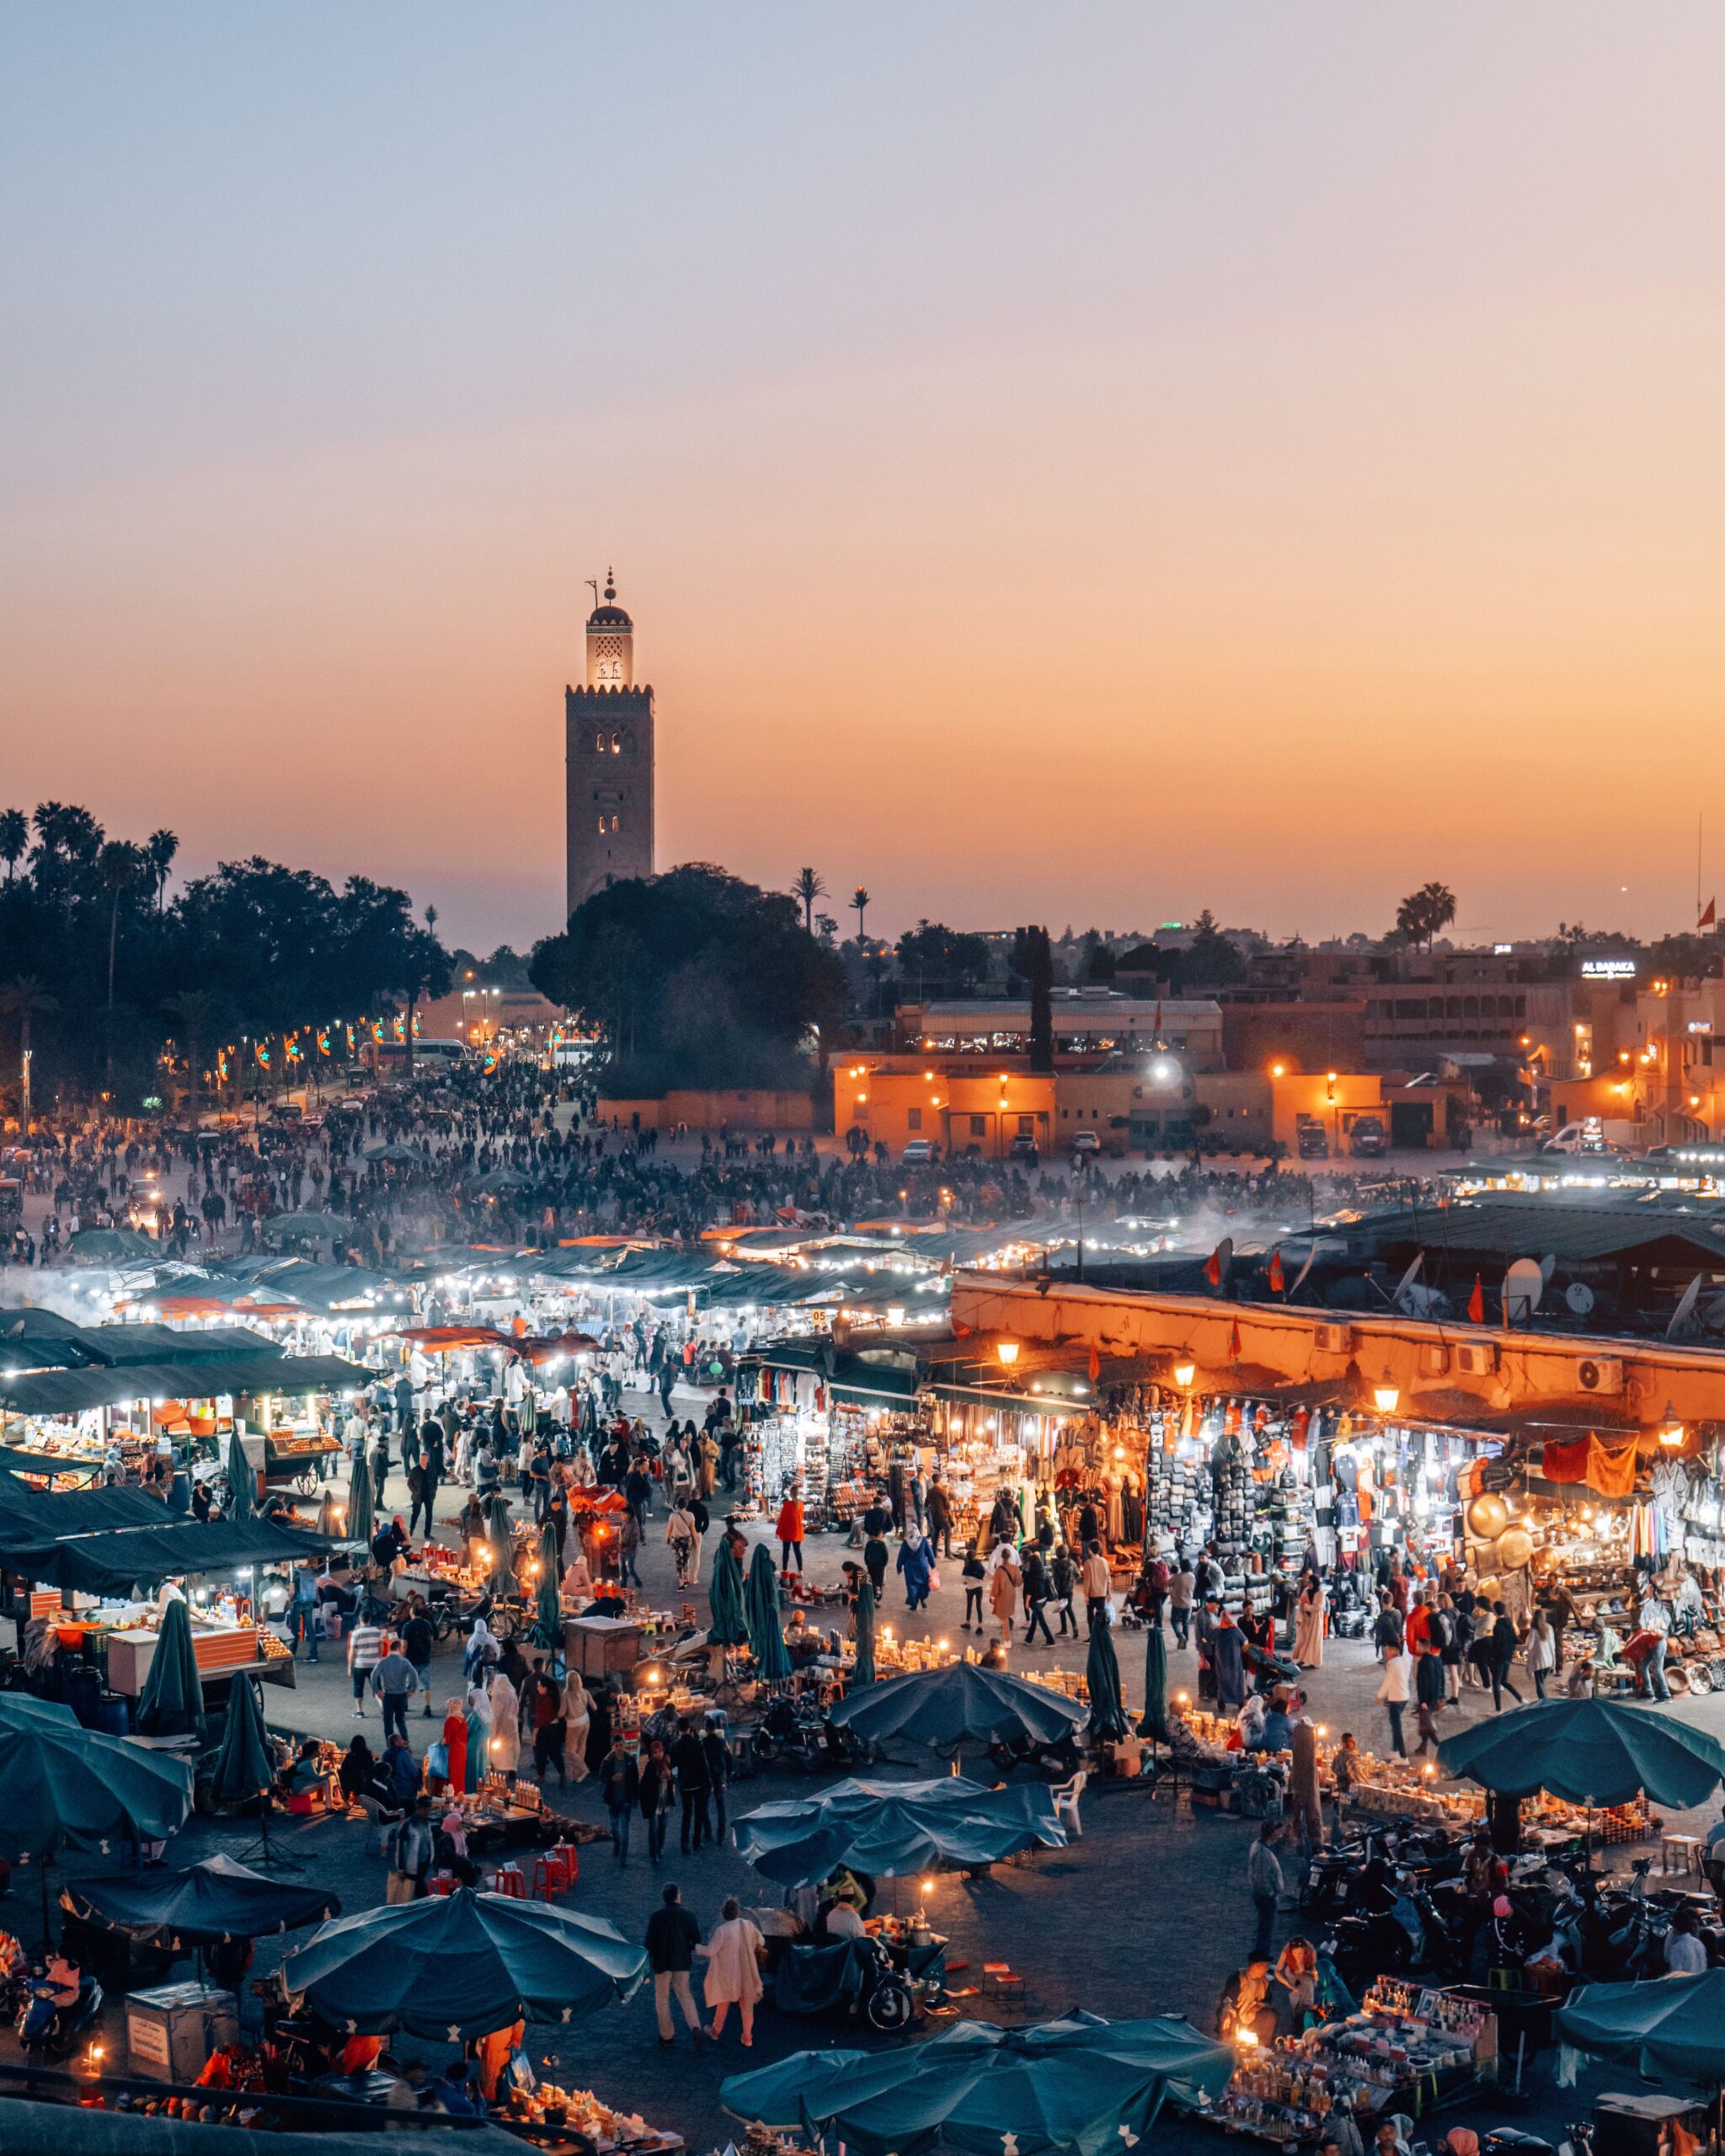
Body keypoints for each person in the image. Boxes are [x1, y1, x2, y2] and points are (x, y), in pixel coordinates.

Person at [697, 1896, 765, 2047]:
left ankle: (715, 2032)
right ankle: (747, 2038)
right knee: (747, 2007)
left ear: (723, 1914)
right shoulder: (747, 1925)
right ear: (738, 1912)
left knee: (723, 2005)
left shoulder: (722, 1931)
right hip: (746, 1974)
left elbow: (710, 1951)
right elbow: (761, 1941)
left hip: (728, 1976)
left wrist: (697, 1948)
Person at [646, 1884, 705, 2046]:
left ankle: (667, 2035)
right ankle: (695, 2026)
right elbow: (697, 1939)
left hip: (662, 1962)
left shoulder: (656, 1916)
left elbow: (649, 1943)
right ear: (678, 1897)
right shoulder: (689, 1915)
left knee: (662, 1998)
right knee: (685, 1995)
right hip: (682, 1962)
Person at [671, 1718, 711, 1854]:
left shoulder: (675, 1746)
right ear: (689, 1729)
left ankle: (684, 1842)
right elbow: (703, 1764)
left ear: (678, 1730)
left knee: (686, 1814)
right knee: (699, 1813)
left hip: (684, 1784)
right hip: (698, 1783)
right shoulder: (697, 1744)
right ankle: (696, 1841)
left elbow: (672, 1765)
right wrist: (708, 1782)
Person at [371, 1639, 423, 1743]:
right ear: (399, 1648)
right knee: (400, 1720)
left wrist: (377, 1690)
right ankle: (405, 1743)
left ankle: (390, 1745)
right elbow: (414, 1676)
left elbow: (373, 1676)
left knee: (388, 1722)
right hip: (401, 1695)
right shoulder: (405, 1662)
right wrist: (411, 1689)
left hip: (388, 1696)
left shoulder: (383, 1661)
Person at [386, 1796, 436, 1903]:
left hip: (423, 1864)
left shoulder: (426, 1823)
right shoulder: (407, 1826)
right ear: (418, 1808)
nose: (427, 1812)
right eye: (425, 1809)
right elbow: (400, 1849)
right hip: (412, 1866)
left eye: (429, 1809)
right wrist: (401, 1869)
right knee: (422, 1893)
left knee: (414, 1891)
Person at [1246, 1821, 1284, 1961]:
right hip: (1266, 1897)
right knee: (1266, 1929)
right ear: (1272, 1832)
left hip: (1264, 1895)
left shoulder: (1259, 1846)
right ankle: (1260, 1958)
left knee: (1264, 1927)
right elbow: (1262, 1879)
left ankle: (1261, 1955)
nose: (1279, 1834)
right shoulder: (1262, 1853)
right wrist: (1271, 1894)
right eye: (1277, 1831)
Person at [599, 1736, 640, 1865]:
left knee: (625, 1830)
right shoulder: (608, 1760)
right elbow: (601, 1776)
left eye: (621, 1745)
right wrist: (612, 1778)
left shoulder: (630, 1760)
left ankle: (623, 1857)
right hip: (612, 1800)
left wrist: (636, 1797)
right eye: (617, 1746)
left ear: (624, 1745)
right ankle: (617, 1843)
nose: (619, 1748)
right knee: (615, 1828)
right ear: (613, 1747)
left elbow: (635, 1780)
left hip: (626, 1799)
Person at [640, 1736, 677, 1865]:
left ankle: (660, 1848)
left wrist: (672, 1784)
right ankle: (654, 1853)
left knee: (662, 1827)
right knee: (653, 1829)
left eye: (660, 1751)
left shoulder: (667, 1761)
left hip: (665, 1800)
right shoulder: (650, 1766)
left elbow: (672, 1777)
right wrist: (659, 1779)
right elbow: (645, 1785)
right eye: (655, 1752)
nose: (658, 1754)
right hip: (654, 1803)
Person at [345, 1614, 385, 1717]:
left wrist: (350, 1667)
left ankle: (360, 1711)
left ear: (360, 1619)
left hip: (360, 1665)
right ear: (370, 1619)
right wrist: (377, 1658)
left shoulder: (356, 1633)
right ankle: (384, 1709)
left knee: (358, 1687)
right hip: (374, 1665)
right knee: (377, 1688)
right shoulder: (377, 1631)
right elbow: (381, 1648)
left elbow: (352, 1652)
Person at [400, 1607, 435, 1719]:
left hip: (411, 1659)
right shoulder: (428, 1624)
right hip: (425, 1658)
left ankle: (404, 1705)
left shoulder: (408, 1626)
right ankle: (427, 1707)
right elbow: (431, 1639)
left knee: (407, 1683)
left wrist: (403, 1658)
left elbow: (404, 1645)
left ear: (412, 1613)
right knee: (425, 1684)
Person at [1488, 1603, 1525, 1712]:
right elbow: (1515, 1639)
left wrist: (1492, 1657)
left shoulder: (1497, 1627)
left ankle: (1498, 1709)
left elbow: (1496, 1644)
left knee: (1496, 1683)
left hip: (1499, 1658)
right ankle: (1521, 1698)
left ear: (1495, 1612)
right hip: (1508, 1656)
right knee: (1504, 1681)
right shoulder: (1509, 1623)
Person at [701, 1715, 731, 1843]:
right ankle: (721, 1835)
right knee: (721, 1808)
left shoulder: (702, 1744)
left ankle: (708, 1832)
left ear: (706, 1729)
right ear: (715, 1728)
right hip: (720, 1778)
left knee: (704, 1806)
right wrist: (727, 1777)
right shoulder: (722, 1742)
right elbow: (729, 1760)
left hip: (707, 1779)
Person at [1378, 1645, 1411, 1757]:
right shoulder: (1405, 1661)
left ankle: (1402, 1756)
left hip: (1396, 1699)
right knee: (1394, 1723)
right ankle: (1394, 1751)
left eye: (1388, 1649)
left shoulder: (1392, 1663)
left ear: (1393, 1650)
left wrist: (1380, 1696)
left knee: (1397, 1728)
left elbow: (1387, 1681)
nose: (1386, 1652)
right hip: (1405, 1697)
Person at [990, 1542, 1021, 1644]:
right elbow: (1018, 1583)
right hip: (1011, 1594)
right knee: (1005, 1616)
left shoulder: (999, 1570)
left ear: (1001, 1557)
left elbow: (996, 1586)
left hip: (1002, 1595)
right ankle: (1007, 1639)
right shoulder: (1015, 1568)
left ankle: (1007, 1641)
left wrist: (993, 1597)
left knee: (1004, 1618)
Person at [1664, 1903, 1707, 1974]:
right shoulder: (1699, 1943)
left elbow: (1677, 1974)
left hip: (1687, 1983)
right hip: (1700, 1982)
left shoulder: (1678, 1947)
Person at [897, 1526, 933, 1610]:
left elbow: (901, 1556)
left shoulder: (906, 1543)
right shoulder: (924, 1541)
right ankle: (923, 1599)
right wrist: (933, 1565)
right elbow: (930, 1554)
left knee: (912, 1586)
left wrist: (899, 1567)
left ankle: (914, 1604)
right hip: (922, 1567)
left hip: (910, 1569)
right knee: (924, 1584)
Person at [1294, 1576, 1325, 1668]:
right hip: (1305, 1618)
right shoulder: (1306, 1591)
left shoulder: (1321, 1593)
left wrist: (1307, 1607)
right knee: (1303, 1639)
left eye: (1309, 1582)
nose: (1308, 1584)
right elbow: (1301, 1603)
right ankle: (1302, 1659)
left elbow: (1319, 1607)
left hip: (1315, 1619)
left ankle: (1313, 1661)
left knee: (1314, 1640)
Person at [1526, 1608, 1557, 1700]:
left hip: (1539, 1662)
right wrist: (1554, 1662)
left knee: (1540, 1685)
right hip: (1549, 1661)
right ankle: (1544, 1701)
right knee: (1542, 1683)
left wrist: (1517, 1647)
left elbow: (1529, 1647)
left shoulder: (1534, 1630)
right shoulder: (1549, 1628)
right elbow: (1553, 1645)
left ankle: (1544, 1702)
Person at [1081, 1540, 1112, 1630]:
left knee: (1090, 1615)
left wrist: (1086, 1595)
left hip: (1092, 1594)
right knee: (1102, 1615)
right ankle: (1102, 1636)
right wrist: (1109, 1592)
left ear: (1090, 1550)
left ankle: (1093, 1636)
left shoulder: (1088, 1563)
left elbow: (1087, 1581)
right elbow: (1108, 1578)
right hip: (1102, 1594)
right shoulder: (1105, 1561)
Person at [776, 1491, 805, 1574]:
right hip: (797, 1530)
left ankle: (785, 1570)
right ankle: (801, 1571)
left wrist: (778, 1531)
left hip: (788, 1531)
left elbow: (783, 1520)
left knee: (786, 1551)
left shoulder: (787, 1505)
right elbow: (801, 1517)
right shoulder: (801, 1505)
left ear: (791, 1494)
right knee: (797, 1551)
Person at [1169, 1558, 1196, 1649]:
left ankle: (1180, 1636)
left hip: (1177, 1603)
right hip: (1188, 1603)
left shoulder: (1176, 1577)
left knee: (1174, 1621)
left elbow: (1168, 1583)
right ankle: (1185, 1643)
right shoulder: (1192, 1576)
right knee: (1185, 1622)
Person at [961, 1544, 986, 1630]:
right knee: (979, 1607)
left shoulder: (966, 1567)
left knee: (969, 1606)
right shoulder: (979, 1564)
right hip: (979, 1588)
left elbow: (963, 1581)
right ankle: (980, 1626)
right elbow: (984, 1572)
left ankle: (968, 1623)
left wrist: (968, 1581)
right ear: (975, 1556)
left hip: (970, 1589)